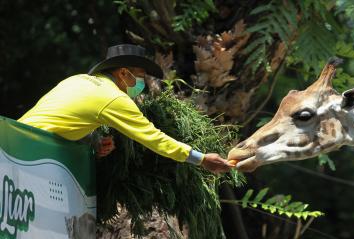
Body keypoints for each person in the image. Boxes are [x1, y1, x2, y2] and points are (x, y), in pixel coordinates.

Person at [18, 44, 232, 174]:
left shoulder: (79, 79)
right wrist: (202, 159)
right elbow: (154, 139)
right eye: (139, 76)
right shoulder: (114, 98)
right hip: (31, 156)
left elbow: (58, 119)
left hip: (15, 141)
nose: (142, 82)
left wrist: (91, 142)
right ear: (123, 73)